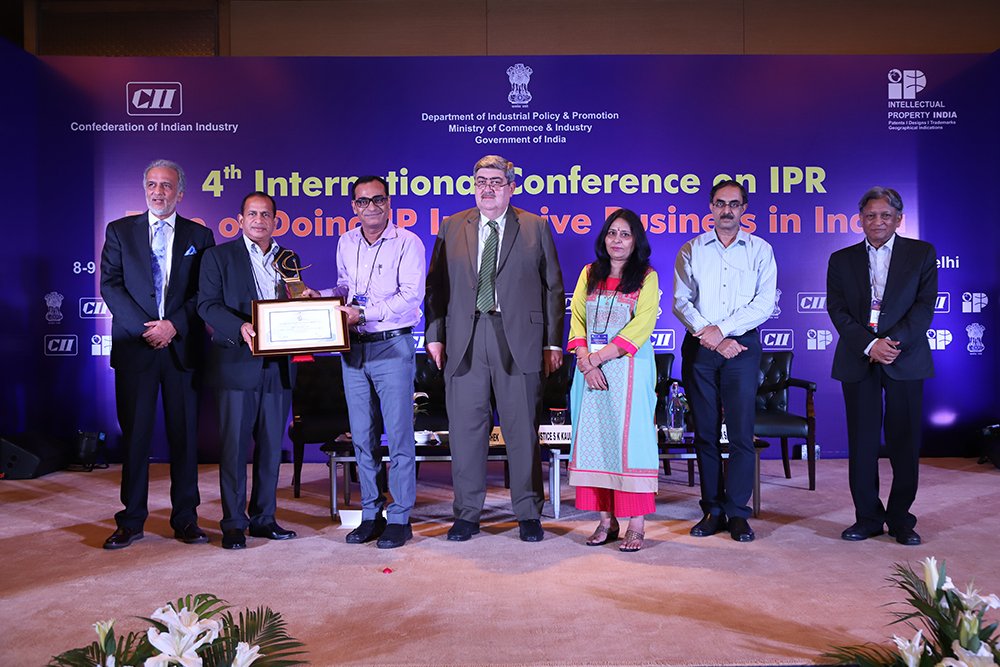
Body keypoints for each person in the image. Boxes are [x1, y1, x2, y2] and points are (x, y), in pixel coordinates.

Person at [425, 155, 565, 542]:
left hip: (519, 337)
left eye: (496, 181)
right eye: (481, 181)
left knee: (522, 431)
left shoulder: (535, 226)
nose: (487, 188)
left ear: (511, 187)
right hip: (464, 338)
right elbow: (436, 286)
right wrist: (434, 334)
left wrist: (553, 341)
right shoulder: (452, 225)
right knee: (466, 431)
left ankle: (528, 513)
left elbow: (553, 287)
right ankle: (467, 513)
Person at [304, 175, 425, 549]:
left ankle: (400, 517)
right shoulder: (346, 241)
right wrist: (322, 296)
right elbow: (346, 289)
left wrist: (364, 313)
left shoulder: (408, 242)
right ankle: (371, 514)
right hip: (353, 348)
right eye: (362, 201)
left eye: (378, 200)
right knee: (362, 437)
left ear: (389, 203)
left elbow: (410, 296)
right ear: (353, 206)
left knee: (399, 437)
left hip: (392, 347)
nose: (370, 207)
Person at [99, 159, 215, 550]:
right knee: (135, 438)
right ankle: (131, 521)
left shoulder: (200, 236)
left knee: (185, 439)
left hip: (181, 350)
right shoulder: (119, 231)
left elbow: (204, 292)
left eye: (166, 185)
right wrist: (146, 328)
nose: (158, 192)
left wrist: (173, 326)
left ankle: (186, 519)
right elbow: (111, 285)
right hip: (137, 349)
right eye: (152, 184)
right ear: (144, 189)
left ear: (180, 192)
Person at [827, 187, 937, 546]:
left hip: (905, 358)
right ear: (860, 219)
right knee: (862, 443)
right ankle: (868, 518)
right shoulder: (841, 259)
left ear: (899, 219)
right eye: (871, 215)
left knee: (904, 442)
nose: (878, 222)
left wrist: (891, 344)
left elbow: (924, 307)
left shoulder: (921, 253)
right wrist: (870, 344)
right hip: (858, 357)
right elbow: (837, 310)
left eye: (885, 215)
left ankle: (901, 519)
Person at [673, 179, 776, 543]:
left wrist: (724, 332)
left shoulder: (760, 250)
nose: (727, 210)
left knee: (741, 434)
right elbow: (681, 301)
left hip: (741, 349)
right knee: (705, 433)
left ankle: (737, 513)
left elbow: (764, 304)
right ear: (711, 207)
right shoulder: (692, 249)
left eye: (734, 204)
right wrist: (713, 337)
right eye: (720, 203)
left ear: (744, 209)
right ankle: (712, 510)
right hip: (701, 347)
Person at [197, 191, 300, 550]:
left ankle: (264, 518)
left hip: (279, 367)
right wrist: (239, 327)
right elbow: (207, 305)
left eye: (266, 214)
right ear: (240, 220)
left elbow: (296, 303)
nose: (259, 220)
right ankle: (233, 523)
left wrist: (308, 305)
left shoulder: (288, 258)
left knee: (271, 448)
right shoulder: (218, 256)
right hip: (237, 364)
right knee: (234, 449)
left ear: (276, 221)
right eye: (252, 214)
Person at [567, 209, 660, 552]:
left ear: (636, 241)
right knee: (596, 442)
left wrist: (598, 358)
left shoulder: (647, 277)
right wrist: (585, 362)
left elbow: (642, 325)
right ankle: (606, 521)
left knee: (631, 444)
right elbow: (577, 318)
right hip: (589, 373)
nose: (617, 240)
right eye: (612, 233)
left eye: (625, 234)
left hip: (629, 371)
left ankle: (636, 524)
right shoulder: (589, 273)